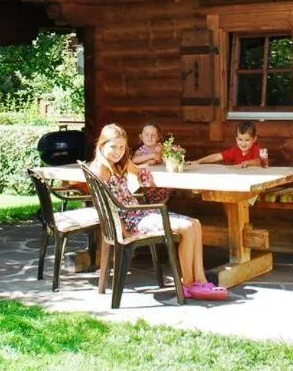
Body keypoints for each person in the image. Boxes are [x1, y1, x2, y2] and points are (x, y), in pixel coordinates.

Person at [89, 123, 227, 301]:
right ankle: (188, 284)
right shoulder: (101, 168)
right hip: (132, 221)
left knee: (195, 224)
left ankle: (200, 280)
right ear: (101, 145)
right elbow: (104, 203)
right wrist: (119, 225)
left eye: (122, 147)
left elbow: (137, 170)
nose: (118, 151)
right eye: (113, 146)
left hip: (139, 214)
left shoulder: (118, 163)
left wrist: (143, 173)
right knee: (186, 227)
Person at [189, 121, 262, 169]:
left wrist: (248, 163)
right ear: (236, 139)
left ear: (254, 139)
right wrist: (198, 161)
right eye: (240, 140)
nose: (243, 144)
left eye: (247, 140)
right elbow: (217, 156)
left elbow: (258, 161)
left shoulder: (256, 149)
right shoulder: (235, 150)